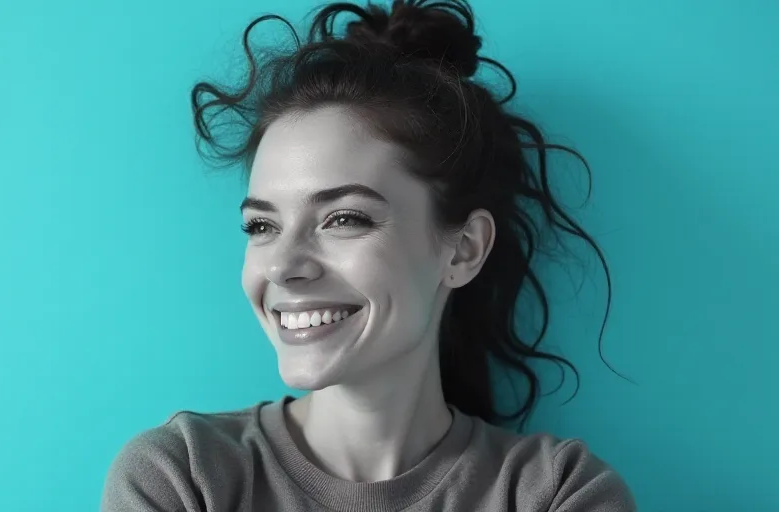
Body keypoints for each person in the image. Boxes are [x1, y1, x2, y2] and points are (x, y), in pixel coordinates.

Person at [102, 0, 636, 510]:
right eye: (262, 225)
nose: (284, 266)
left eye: (343, 219)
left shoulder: (559, 494)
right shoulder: (181, 477)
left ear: (464, 249)